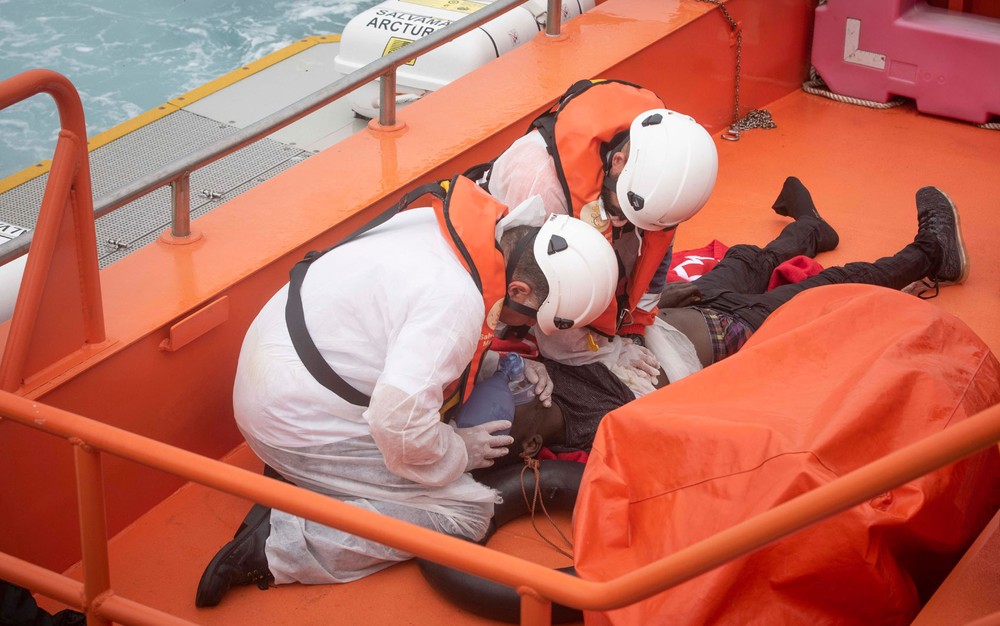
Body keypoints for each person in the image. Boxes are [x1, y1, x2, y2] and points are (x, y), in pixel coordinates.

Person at [194, 176, 619, 607]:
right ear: (519, 290)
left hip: (281, 376)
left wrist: (502, 363)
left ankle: (323, 480)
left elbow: (401, 331)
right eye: (530, 319)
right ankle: (276, 547)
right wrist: (459, 451)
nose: (526, 328)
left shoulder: (458, 231)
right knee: (464, 510)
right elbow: (398, 425)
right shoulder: (455, 300)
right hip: (297, 425)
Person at [494, 180, 969, 459]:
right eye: (514, 412)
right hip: (732, 331)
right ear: (532, 443)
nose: (514, 393)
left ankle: (810, 227)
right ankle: (931, 253)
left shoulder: (533, 357)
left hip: (675, 310)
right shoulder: (591, 424)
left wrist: (653, 302)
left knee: (747, 259)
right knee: (833, 285)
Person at [481, 79, 718, 341]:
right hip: (529, 280)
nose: (621, 223)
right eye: (624, 213)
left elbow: (659, 245)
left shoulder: (661, 179)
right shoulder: (543, 188)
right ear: (618, 162)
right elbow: (544, 294)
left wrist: (638, 317)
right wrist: (604, 350)